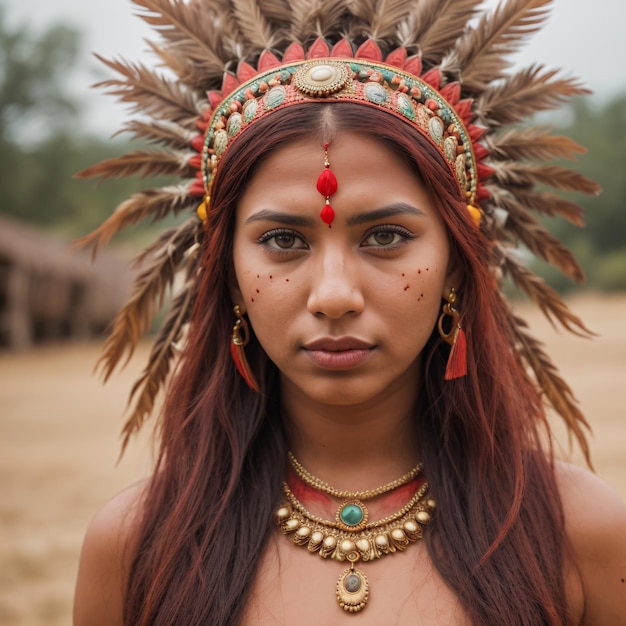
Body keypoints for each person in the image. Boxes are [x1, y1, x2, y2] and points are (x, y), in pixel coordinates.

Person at [73, 0, 626, 624]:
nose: (333, 295)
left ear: (455, 263)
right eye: (283, 241)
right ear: (228, 273)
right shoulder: (135, 549)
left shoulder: (582, 536)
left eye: (386, 236)